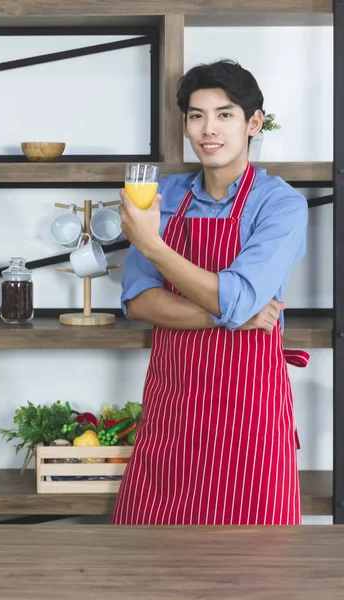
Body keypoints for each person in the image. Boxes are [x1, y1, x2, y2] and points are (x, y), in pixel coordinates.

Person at [112, 59, 309, 526]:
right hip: (172, 413)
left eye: (224, 114)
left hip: (250, 419)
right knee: (151, 559)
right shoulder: (164, 194)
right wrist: (235, 315)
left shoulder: (279, 205)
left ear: (253, 123)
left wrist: (152, 245)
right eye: (196, 116)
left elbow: (236, 295)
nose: (208, 130)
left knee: (254, 566)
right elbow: (139, 301)